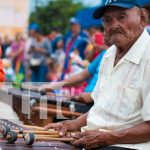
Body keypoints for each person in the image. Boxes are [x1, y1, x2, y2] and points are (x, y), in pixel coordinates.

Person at [45, 0, 150, 149]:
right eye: (108, 20)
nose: (114, 26)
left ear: (142, 17)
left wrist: (105, 138)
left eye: (122, 17)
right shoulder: (109, 54)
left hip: (126, 146)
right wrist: (72, 124)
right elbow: (101, 109)